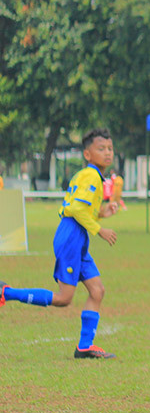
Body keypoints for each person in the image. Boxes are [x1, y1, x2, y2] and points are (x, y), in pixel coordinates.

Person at [0, 129, 120, 358]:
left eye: (110, 148)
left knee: (97, 290)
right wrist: (100, 229)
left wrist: (102, 213)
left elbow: (81, 209)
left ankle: (85, 346)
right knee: (64, 298)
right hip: (72, 236)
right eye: (101, 149)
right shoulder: (92, 176)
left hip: (76, 236)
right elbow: (75, 210)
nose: (107, 153)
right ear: (87, 153)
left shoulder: (87, 174)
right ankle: (6, 292)